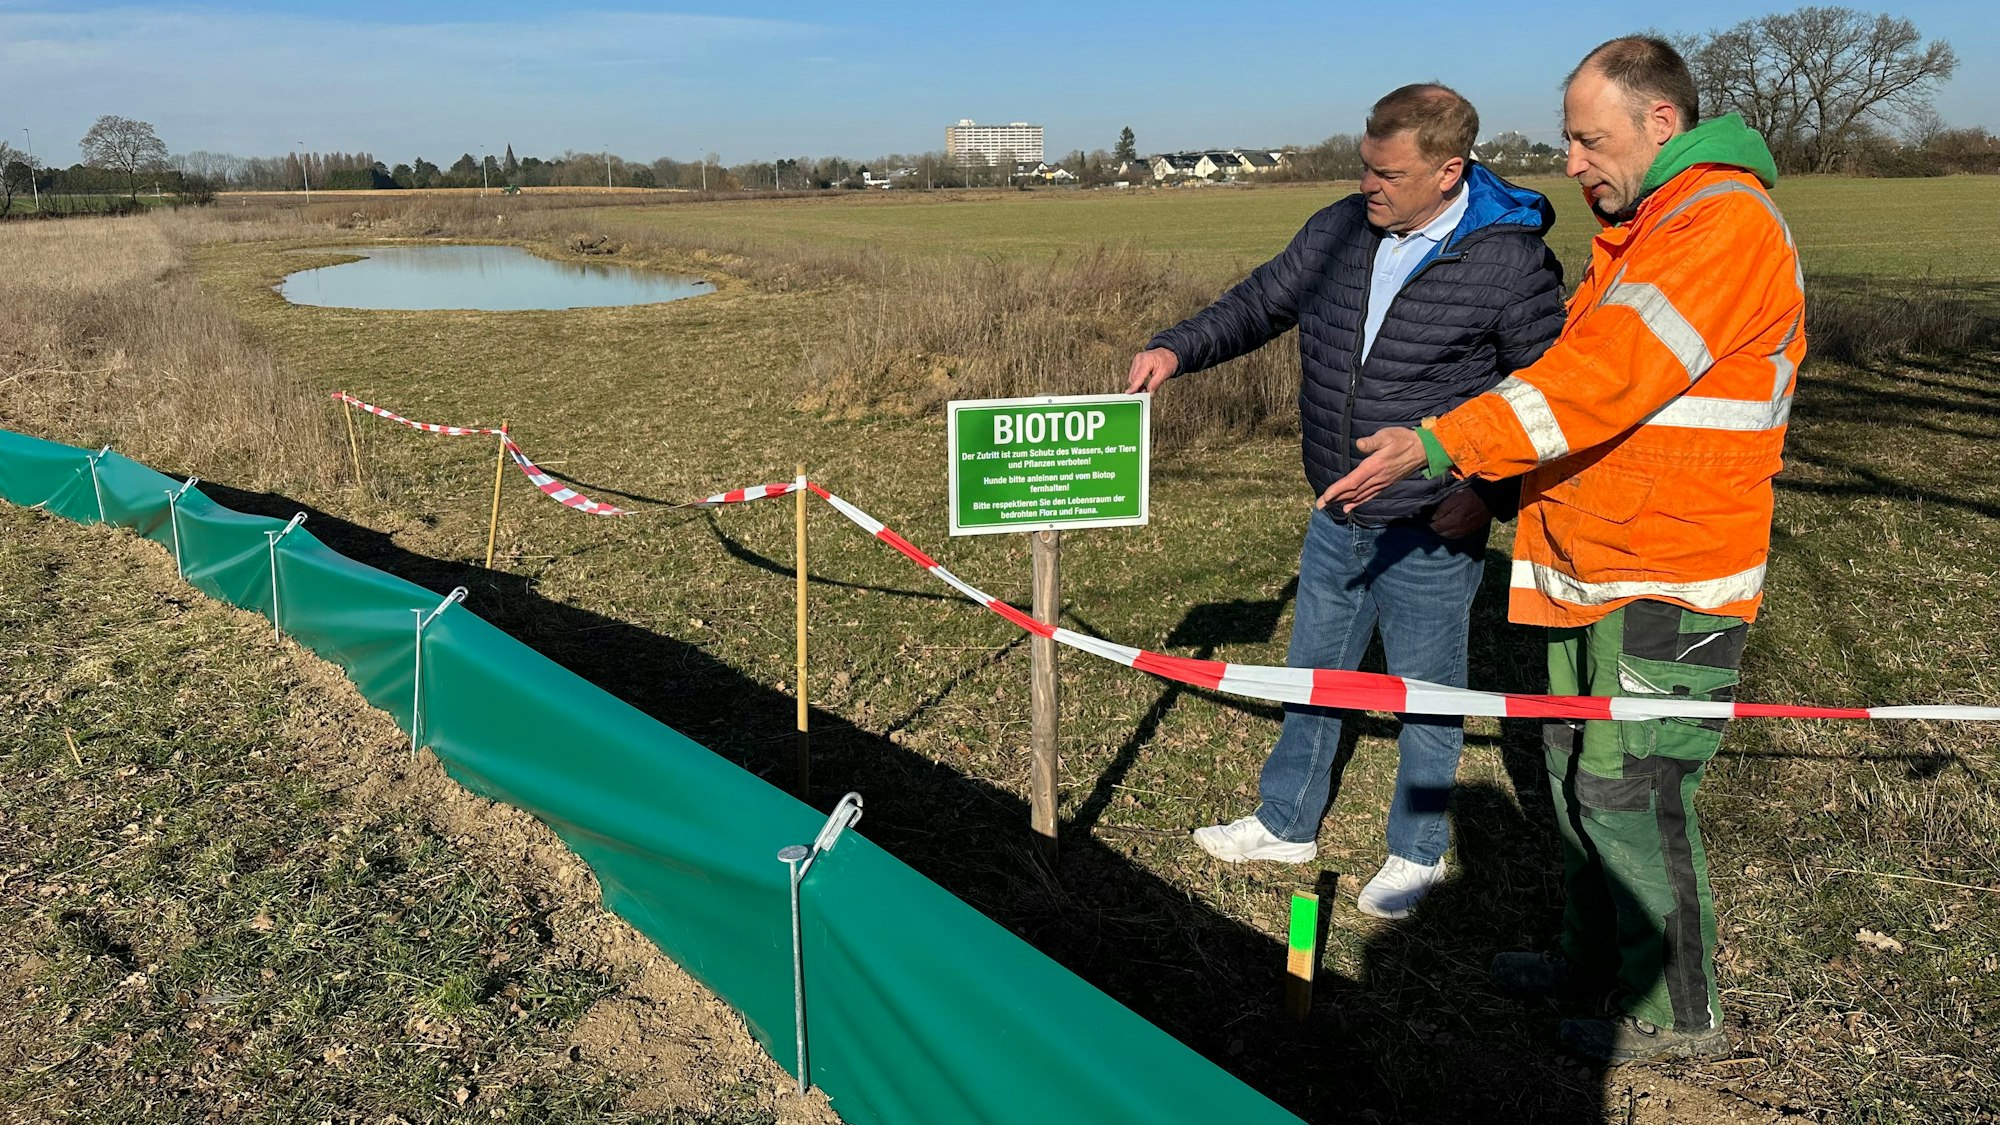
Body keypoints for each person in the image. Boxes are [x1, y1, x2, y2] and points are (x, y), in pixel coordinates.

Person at [1318, 37, 1805, 1063]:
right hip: (1588, 563)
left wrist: (1444, 443)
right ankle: (1590, 958)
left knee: (1628, 793)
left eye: (1588, 139)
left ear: (1658, 124)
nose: (1571, 162)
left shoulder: (1719, 227)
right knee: (1571, 770)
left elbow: (1599, 381)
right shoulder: (1644, 230)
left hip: (1670, 575)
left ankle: (1674, 1011)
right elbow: (1568, 386)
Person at [1126, 84, 1564, 918]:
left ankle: (1419, 850)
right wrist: (1176, 349)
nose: (1369, 186)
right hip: (1336, 507)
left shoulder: (1510, 262)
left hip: (1433, 523)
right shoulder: (1339, 230)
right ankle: (1287, 821)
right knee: (1315, 671)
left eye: (1387, 174)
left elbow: (1542, 393)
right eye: (1365, 166)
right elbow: (1259, 301)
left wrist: (1489, 492)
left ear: (1448, 170)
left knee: (1426, 694)